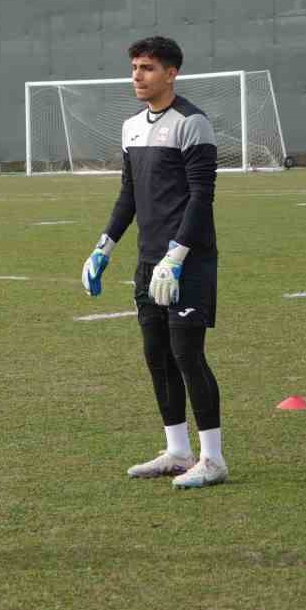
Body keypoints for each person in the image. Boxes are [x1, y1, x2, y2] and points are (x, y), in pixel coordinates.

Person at [81, 36, 226, 489]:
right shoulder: (130, 127)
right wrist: (104, 247)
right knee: (157, 356)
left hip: (188, 260)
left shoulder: (192, 123)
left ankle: (214, 460)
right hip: (148, 263)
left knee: (187, 354)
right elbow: (129, 193)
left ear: (171, 73)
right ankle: (177, 452)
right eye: (134, 68)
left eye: (146, 68)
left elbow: (202, 196)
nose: (137, 77)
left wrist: (177, 257)